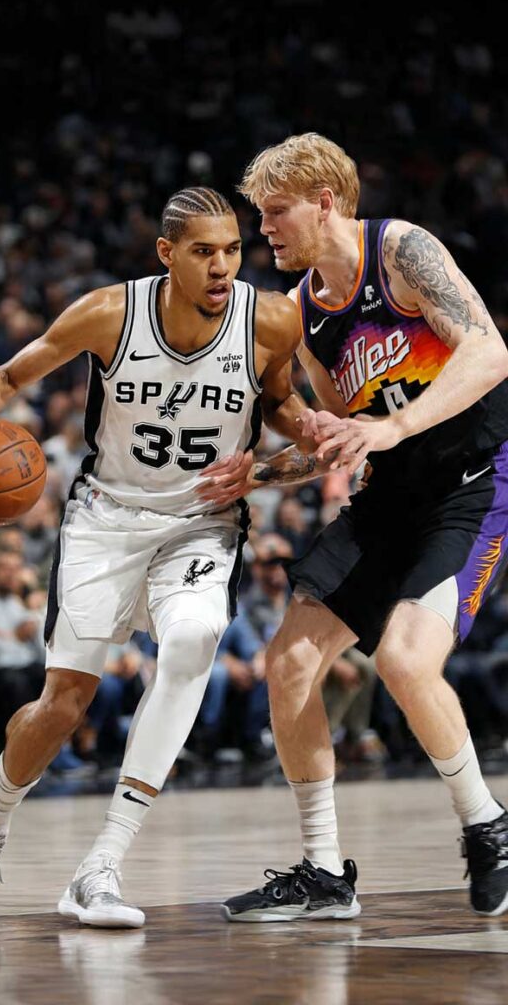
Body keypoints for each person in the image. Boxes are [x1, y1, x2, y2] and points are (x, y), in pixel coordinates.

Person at [0, 186, 314, 928]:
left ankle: (101, 863)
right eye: (204, 251)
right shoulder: (110, 311)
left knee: (195, 640)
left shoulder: (271, 318)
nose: (222, 267)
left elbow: (278, 407)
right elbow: (10, 378)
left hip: (202, 525)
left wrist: (309, 437)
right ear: (167, 254)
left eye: (233, 250)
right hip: (105, 519)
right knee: (63, 705)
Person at [199, 134, 508, 921]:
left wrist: (393, 429)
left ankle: (487, 826)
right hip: (390, 495)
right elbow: (342, 435)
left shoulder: (401, 250)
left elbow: (490, 351)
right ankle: (324, 870)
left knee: (406, 661)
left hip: (472, 488)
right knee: (289, 661)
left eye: (275, 212)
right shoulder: (303, 314)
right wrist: (258, 473)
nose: (263, 229)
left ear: (325, 201)